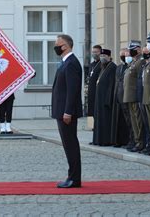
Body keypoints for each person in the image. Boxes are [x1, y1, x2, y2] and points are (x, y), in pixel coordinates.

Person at [51, 34, 82, 188]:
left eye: (58, 44)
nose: (56, 47)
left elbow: (72, 90)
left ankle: (74, 178)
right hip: (62, 111)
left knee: (71, 145)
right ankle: (72, 176)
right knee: (68, 145)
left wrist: (68, 111)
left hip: (66, 113)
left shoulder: (71, 63)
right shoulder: (65, 62)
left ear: (66, 46)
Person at [123, 40, 146, 152]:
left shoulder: (140, 62)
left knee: (137, 120)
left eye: (132, 49)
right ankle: (136, 141)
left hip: (134, 95)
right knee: (133, 120)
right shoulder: (133, 62)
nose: (130, 52)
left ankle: (140, 142)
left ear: (138, 50)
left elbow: (139, 80)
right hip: (129, 95)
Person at [92, 49, 116, 146]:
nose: (102, 57)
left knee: (105, 121)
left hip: (106, 100)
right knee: (98, 120)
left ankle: (105, 140)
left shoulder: (112, 67)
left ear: (109, 57)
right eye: (101, 55)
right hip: (99, 99)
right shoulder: (102, 67)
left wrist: (108, 99)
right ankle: (98, 140)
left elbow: (111, 84)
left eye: (104, 56)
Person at [110, 48, 131, 147]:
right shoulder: (119, 67)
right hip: (118, 96)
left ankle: (130, 140)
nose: (123, 57)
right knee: (121, 121)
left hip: (127, 97)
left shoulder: (130, 66)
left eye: (124, 55)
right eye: (121, 55)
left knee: (129, 121)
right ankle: (120, 140)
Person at [86, 45, 102, 121]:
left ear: (100, 52)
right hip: (91, 92)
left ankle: (97, 126)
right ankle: (91, 126)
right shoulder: (91, 65)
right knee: (91, 110)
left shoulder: (102, 64)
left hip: (98, 92)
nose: (94, 53)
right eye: (93, 52)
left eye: (96, 52)